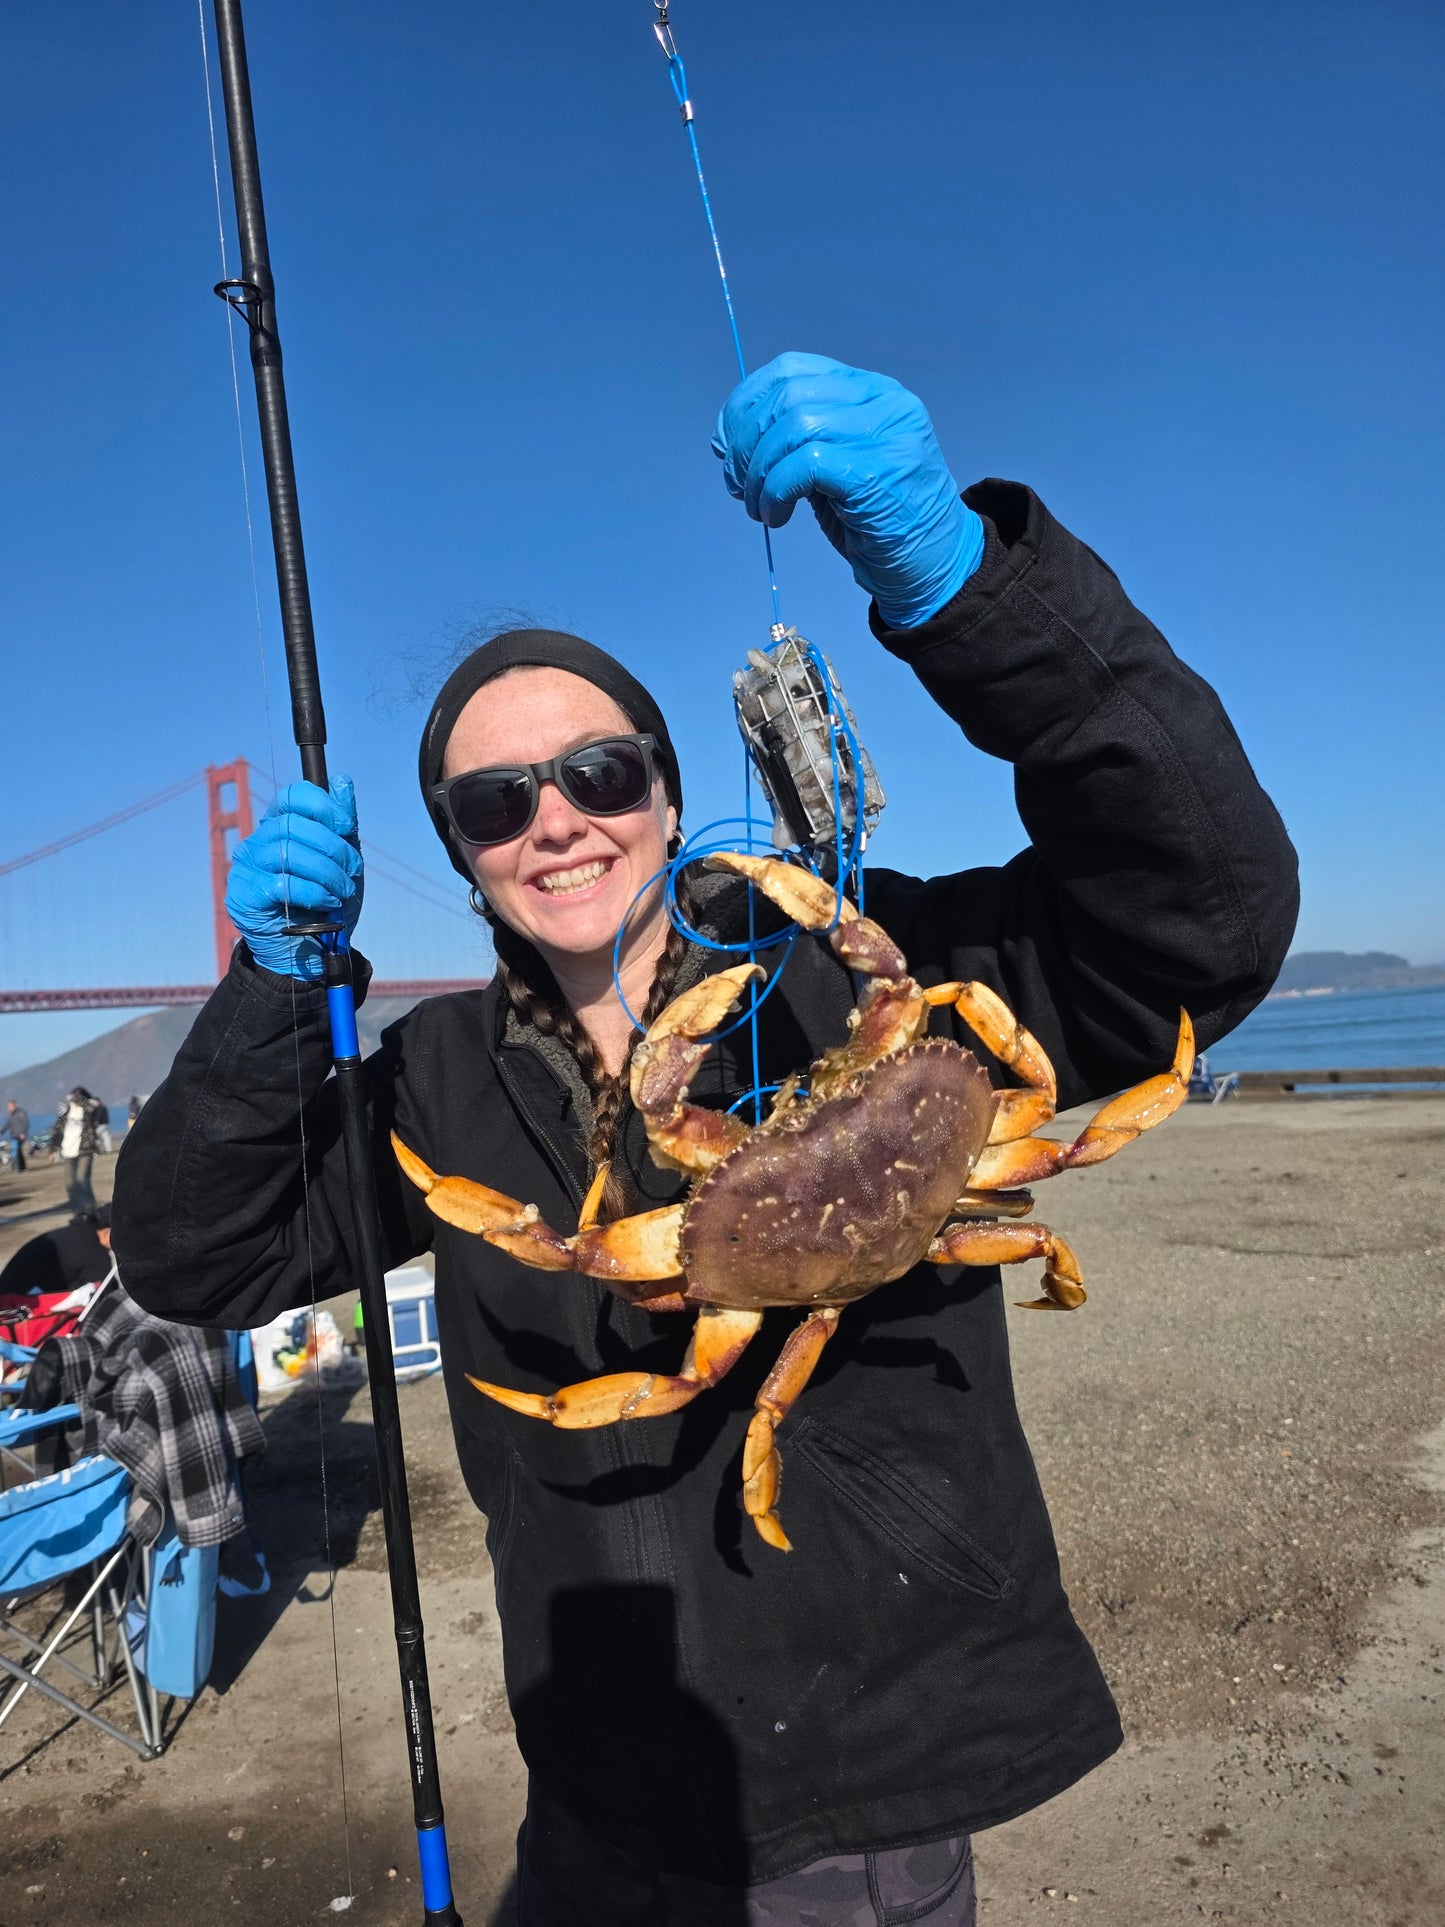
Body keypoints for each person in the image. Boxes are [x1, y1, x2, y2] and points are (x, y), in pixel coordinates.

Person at [114, 352, 1298, 1924]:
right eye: (493, 802)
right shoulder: (433, 1086)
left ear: (671, 799)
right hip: (596, 1780)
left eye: (602, 771)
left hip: (861, 1790)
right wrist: (275, 995)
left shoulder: (861, 974)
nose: (557, 817)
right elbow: (197, 1252)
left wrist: (969, 591)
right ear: (466, 860)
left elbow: (1202, 925)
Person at [0, 1202, 113, 1296]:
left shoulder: (76, 1232)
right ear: (107, 1233)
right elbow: (106, 1296)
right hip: (19, 1305)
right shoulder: (96, 1255)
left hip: (8, 1292)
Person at [50, 1086, 105, 1214]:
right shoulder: (66, 1113)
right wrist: (53, 1148)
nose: (71, 1099)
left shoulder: (88, 1110)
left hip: (85, 1149)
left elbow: (94, 1109)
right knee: (69, 1181)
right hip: (68, 1150)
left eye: (74, 1096)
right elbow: (57, 1130)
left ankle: (90, 1208)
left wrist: (78, 1098)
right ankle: (77, 1207)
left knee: (82, 1178)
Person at [4, 1100, 28, 1173]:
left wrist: (23, 1133)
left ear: (14, 1105)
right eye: (8, 1107)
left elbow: (25, 1123)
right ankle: (21, 1167)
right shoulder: (11, 1115)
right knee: (18, 1151)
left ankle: (19, 1168)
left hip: (20, 1135)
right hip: (14, 1135)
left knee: (17, 1150)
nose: (9, 1108)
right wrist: (1, 1132)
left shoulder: (21, 1113)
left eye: (10, 1106)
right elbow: (8, 1125)